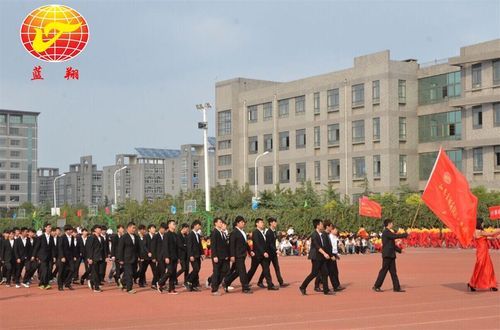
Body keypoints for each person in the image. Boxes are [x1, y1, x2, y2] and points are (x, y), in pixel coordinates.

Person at [372, 219, 408, 293]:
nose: (392, 224)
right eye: (391, 223)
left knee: (393, 272)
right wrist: (405, 234)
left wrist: (400, 250)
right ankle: (376, 286)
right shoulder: (386, 232)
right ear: (388, 224)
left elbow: (392, 245)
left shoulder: (389, 232)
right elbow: (395, 236)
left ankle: (396, 288)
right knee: (384, 271)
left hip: (391, 255)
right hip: (387, 255)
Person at [299, 219, 333, 295]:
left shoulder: (321, 234)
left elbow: (323, 246)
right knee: (314, 273)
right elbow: (317, 246)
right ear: (317, 225)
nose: (322, 225)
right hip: (316, 257)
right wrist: (324, 253)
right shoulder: (314, 234)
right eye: (321, 224)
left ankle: (326, 290)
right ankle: (303, 287)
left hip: (321, 256)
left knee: (325, 272)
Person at [246, 218, 279, 291]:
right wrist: (263, 252)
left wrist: (266, 251)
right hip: (257, 255)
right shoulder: (255, 232)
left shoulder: (263, 232)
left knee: (266, 270)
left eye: (263, 222)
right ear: (257, 224)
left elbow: (265, 244)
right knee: (252, 270)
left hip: (263, 255)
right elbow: (257, 244)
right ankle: (245, 283)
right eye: (261, 222)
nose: (262, 224)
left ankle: (270, 285)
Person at [468, 217, 500, 292]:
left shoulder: (479, 232)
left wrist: (497, 237)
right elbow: (491, 234)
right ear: (480, 223)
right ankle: (472, 283)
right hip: (481, 252)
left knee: (488, 268)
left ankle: (491, 284)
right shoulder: (479, 232)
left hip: (484, 252)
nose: (483, 224)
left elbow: (489, 237)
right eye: (482, 223)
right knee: (481, 268)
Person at [257, 217, 289, 288]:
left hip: (273, 253)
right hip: (269, 253)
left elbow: (274, 243)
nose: (276, 223)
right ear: (271, 223)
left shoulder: (274, 231)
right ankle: (260, 281)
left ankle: (281, 282)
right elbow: (270, 244)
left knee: (277, 267)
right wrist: (276, 250)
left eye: (276, 222)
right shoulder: (268, 232)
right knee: (266, 269)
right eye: (274, 222)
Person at [314, 221, 345, 292]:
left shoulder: (327, 234)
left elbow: (330, 246)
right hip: (326, 255)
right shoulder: (324, 234)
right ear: (328, 227)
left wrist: (334, 254)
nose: (332, 228)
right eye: (331, 226)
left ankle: (334, 286)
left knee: (330, 271)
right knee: (324, 272)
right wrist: (330, 255)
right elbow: (325, 247)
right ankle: (320, 286)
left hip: (329, 254)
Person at [225, 216, 252, 294]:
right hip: (237, 255)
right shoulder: (234, 233)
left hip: (243, 254)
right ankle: (245, 287)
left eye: (244, 222)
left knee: (238, 271)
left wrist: (250, 252)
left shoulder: (243, 232)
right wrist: (232, 255)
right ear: (237, 223)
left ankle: (226, 282)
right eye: (242, 222)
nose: (243, 224)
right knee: (242, 271)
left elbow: (246, 244)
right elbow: (231, 245)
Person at [117, 222, 142, 294]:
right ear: (128, 228)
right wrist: (120, 259)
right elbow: (120, 249)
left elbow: (138, 248)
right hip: (126, 258)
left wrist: (139, 256)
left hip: (134, 258)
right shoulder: (124, 237)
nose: (134, 229)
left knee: (132, 272)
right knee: (129, 273)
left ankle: (122, 282)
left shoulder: (136, 237)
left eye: (135, 228)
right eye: (133, 228)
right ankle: (129, 288)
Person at [157, 220, 179, 294]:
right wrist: (166, 257)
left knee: (173, 273)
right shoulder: (167, 234)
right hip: (169, 256)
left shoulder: (175, 235)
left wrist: (178, 257)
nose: (175, 225)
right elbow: (165, 246)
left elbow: (177, 247)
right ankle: (160, 283)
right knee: (169, 271)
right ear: (169, 225)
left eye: (175, 224)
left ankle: (171, 289)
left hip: (175, 256)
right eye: (173, 224)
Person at [210, 218, 230, 296]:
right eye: (220, 222)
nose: (221, 223)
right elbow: (213, 245)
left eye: (222, 222)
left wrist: (226, 255)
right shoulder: (214, 232)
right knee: (216, 272)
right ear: (215, 223)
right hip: (217, 256)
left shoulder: (222, 232)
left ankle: (215, 285)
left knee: (225, 270)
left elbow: (224, 246)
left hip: (223, 256)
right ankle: (214, 289)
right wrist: (214, 255)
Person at [33, 223, 56, 290]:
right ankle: (43, 284)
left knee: (49, 270)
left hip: (49, 257)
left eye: (50, 227)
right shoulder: (40, 237)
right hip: (42, 257)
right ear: (45, 228)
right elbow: (36, 247)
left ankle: (45, 283)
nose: (50, 228)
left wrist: (54, 256)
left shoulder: (51, 237)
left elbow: (53, 248)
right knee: (44, 270)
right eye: (48, 227)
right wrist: (35, 256)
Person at [86, 225, 106, 293]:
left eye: (100, 228)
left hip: (100, 258)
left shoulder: (101, 238)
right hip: (93, 257)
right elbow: (89, 248)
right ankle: (96, 287)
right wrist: (89, 258)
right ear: (95, 230)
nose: (100, 230)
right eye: (98, 228)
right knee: (95, 273)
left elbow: (103, 249)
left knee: (99, 272)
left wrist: (105, 257)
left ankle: (91, 281)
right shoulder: (91, 237)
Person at [57, 225, 77, 291]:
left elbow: (73, 247)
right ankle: (60, 285)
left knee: (73, 269)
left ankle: (67, 283)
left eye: (71, 230)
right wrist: (62, 257)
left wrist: (74, 255)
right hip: (63, 257)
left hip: (70, 257)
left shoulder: (72, 237)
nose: (70, 231)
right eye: (69, 230)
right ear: (66, 231)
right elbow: (60, 248)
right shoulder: (62, 237)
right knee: (61, 271)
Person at [186, 220, 203, 291]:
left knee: (198, 269)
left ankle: (193, 284)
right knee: (196, 269)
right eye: (199, 225)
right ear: (195, 225)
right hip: (193, 255)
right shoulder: (190, 235)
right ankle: (188, 281)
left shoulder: (198, 235)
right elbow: (189, 246)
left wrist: (202, 253)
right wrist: (190, 255)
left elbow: (200, 245)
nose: (200, 227)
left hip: (198, 255)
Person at [153, 223, 167, 289]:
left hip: (164, 256)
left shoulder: (165, 236)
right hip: (158, 256)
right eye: (164, 229)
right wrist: (154, 257)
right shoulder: (156, 236)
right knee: (163, 270)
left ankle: (154, 283)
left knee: (158, 271)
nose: (165, 231)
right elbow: (153, 247)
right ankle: (162, 284)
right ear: (161, 228)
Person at [143, 224, 157, 289]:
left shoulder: (156, 236)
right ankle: (141, 281)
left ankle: (154, 284)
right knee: (143, 270)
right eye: (152, 228)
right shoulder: (146, 236)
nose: (154, 229)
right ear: (149, 229)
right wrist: (148, 252)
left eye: (154, 228)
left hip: (153, 257)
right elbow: (144, 246)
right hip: (146, 257)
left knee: (155, 271)